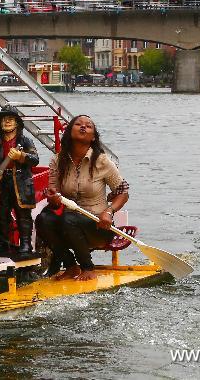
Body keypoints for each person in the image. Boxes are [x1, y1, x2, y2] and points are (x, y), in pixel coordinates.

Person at [36, 115, 130, 281]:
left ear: (93, 137)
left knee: (68, 219)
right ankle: (71, 266)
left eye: (88, 126)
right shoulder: (58, 160)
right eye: (78, 124)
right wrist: (53, 197)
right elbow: (53, 193)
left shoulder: (102, 161)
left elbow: (123, 192)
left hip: (98, 226)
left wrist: (109, 211)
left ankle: (88, 268)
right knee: (43, 219)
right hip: (69, 224)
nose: (83, 127)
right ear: (69, 132)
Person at [0, 105, 40, 259]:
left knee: (23, 213)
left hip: (21, 181)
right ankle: (4, 243)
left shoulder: (25, 141)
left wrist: (21, 156)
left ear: (17, 122)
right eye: (4, 119)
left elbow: (35, 160)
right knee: (1, 213)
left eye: (10, 119)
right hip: (2, 183)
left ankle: (25, 244)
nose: (7, 122)